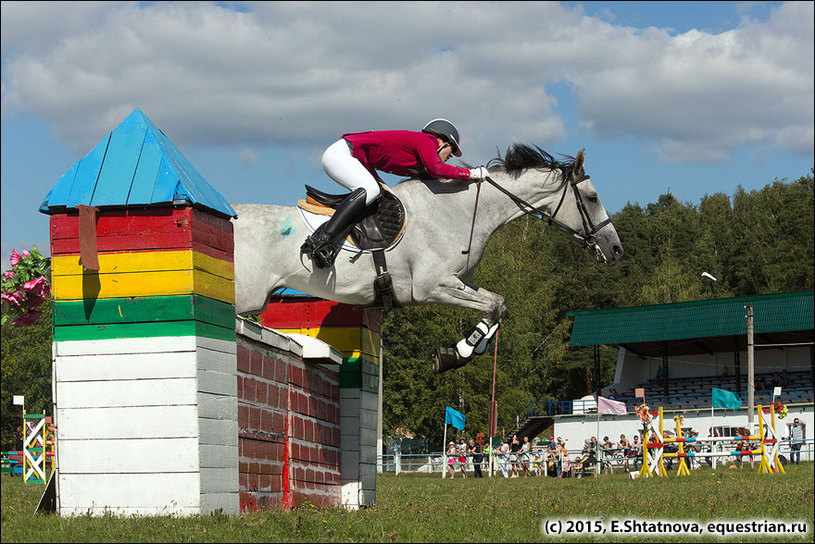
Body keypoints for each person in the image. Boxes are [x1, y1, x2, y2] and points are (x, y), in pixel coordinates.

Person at [300, 119, 489, 268]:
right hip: (340, 155)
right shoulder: (426, 140)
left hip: (349, 157)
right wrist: (471, 174)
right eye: (451, 150)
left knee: (376, 192)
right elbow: (437, 169)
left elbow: (371, 166)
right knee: (370, 190)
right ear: (441, 140)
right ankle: (322, 238)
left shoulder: (417, 152)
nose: (450, 156)